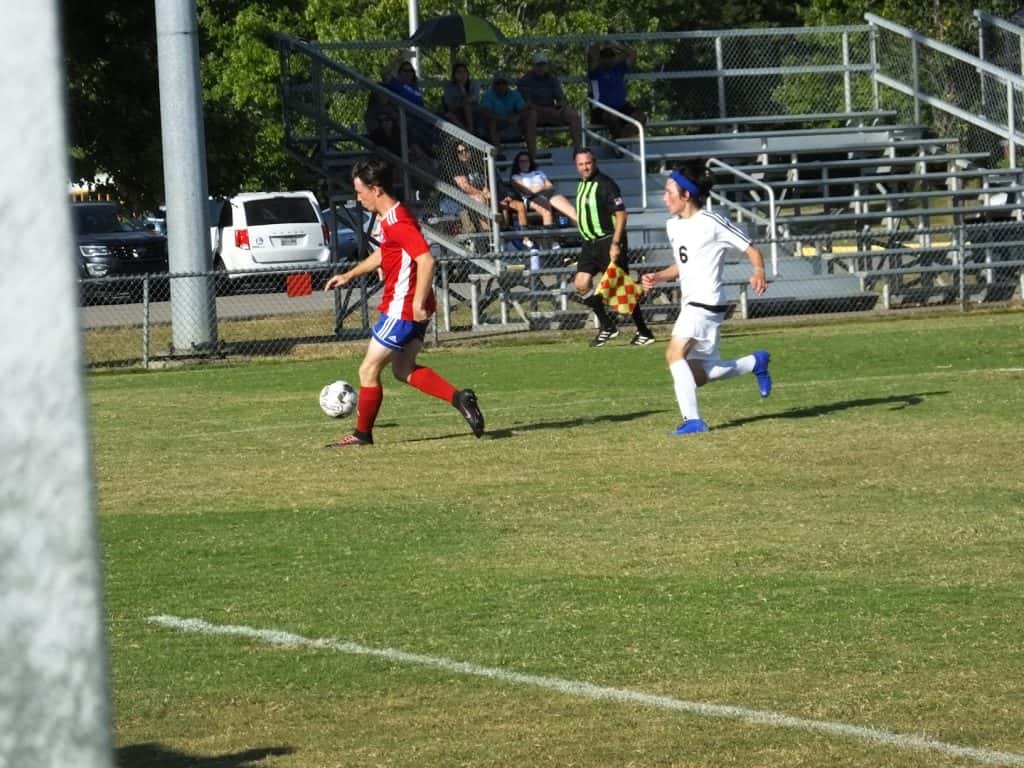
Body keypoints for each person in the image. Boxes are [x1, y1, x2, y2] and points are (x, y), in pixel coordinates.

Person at [323, 157, 485, 446]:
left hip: (403, 308)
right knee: (403, 369)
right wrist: (349, 274)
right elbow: (386, 253)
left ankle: (362, 434)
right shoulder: (393, 217)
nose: (357, 198)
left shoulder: (397, 222)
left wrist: (417, 302)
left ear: (376, 190)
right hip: (409, 307)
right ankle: (459, 398)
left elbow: (426, 260)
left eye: (360, 192)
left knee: (367, 370)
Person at [641, 161, 772, 436]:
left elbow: (751, 249)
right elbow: (684, 264)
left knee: (673, 354)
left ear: (686, 195)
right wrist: (659, 276)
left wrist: (758, 271)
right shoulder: (673, 226)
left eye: (669, 192)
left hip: (705, 303)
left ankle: (693, 421)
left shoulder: (712, 222)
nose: (664, 198)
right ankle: (754, 362)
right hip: (695, 304)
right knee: (700, 373)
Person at [572, 148, 655, 347]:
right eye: (581, 164)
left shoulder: (605, 184)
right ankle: (607, 326)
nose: (585, 167)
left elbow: (621, 214)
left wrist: (616, 243)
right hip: (590, 244)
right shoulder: (582, 184)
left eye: (588, 163)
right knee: (581, 284)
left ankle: (644, 332)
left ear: (595, 162)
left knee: (621, 288)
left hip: (608, 241)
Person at [450, 142, 529, 246]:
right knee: (480, 200)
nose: (463, 153)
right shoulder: (456, 168)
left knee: (506, 203)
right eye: (460, 152)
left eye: (466, 150)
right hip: (465, 197)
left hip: (484, 194)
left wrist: (487, 191)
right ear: (456, 155)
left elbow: (486, 182)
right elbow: (465, 187)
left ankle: (511, 235)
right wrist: (482, 193)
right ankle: (489, 236)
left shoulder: (478, 165)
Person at [517, 52, 583, 152]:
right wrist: (545, 110)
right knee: (531, 115)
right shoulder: (525, 80)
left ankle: (578, 150)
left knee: (573, 115)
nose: (541, 68)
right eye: (538, 65)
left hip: (551, 111)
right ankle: (532, 154)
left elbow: (562, 98)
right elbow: (527, 104)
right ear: (533, 66)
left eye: (543, 65)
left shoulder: (552, 78)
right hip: (535, 113)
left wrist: (561, 104)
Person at [586, 43, 646, 140]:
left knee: (640, 116)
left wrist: (615, 45)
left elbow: (632, 53)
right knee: (612, 117)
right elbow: (593, 51)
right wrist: (602, 43)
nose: (608, 59)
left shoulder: (619, 69)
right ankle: (621, 142)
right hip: (602, 109)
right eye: (605, 56)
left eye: (611, 56)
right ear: (600, 58)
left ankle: (621, 140)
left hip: (621, 107)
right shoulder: (595, 71)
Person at [479, 73, 537, 160]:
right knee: (492, 121)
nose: (501, 85)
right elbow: (485, 111)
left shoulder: (515, 94)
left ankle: (532, 155)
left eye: (504, 83)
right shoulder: (488, 95)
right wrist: (504, 119)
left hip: (513, 124)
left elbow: (523, 109)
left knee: (532, 114)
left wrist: (517, 116)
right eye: (498, 83)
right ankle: (498, 154)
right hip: (495, 124)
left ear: (507, 84)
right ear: (493, 85)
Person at [442, 62, 480, 133]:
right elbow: (449, 105)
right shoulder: (449, 86)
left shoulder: (474, 84)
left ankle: (470, 129)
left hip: (473, 111)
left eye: (464, 72)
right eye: (459, 72)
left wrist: (462, 88)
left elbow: (471, 100)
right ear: (454, 75)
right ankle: (467, 132)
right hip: (456, 111)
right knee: (449, 115)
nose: (462, 74)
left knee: (466, 105)